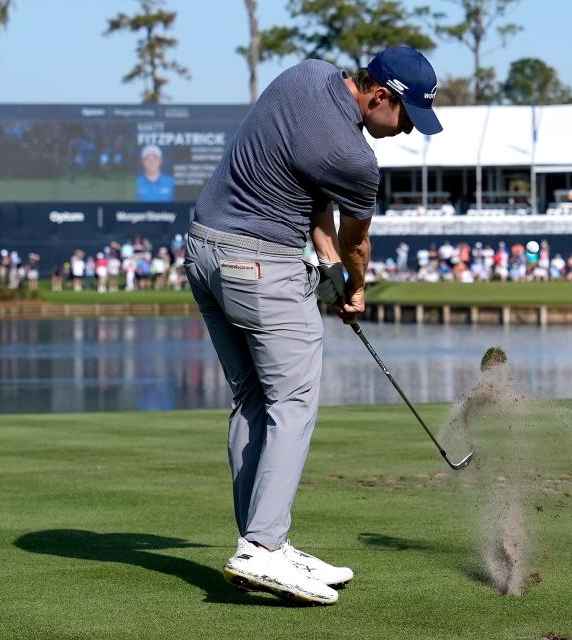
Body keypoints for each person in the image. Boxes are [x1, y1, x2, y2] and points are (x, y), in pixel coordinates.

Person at [183, 45, 442, 605]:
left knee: (253, 398)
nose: (408, 132)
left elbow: (310, 196)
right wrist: (356, 287)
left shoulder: (307, 75)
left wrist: (324, 267)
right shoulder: (357, 158)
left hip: (204, 251)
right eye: (406, 118)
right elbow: (355, 242)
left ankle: (265, 539)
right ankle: (260, 547)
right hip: (259, 263)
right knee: (294, 401)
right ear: (380, 96)